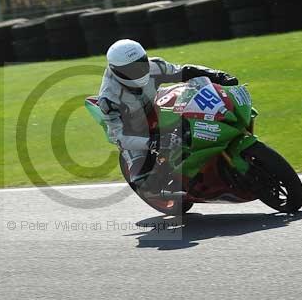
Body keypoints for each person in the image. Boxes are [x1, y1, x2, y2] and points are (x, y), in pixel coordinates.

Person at [98, 38, 238, 195]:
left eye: (141, 64)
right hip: (132, 130)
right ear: (117, 71)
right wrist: (153, 142)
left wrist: (219, 76)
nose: (138, 71)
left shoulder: (155, 66)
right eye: (131, 70)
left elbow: (184, 71)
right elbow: (120, 137)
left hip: (156, 105)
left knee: (191, 97)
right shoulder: (109, 99)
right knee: (145, 183)